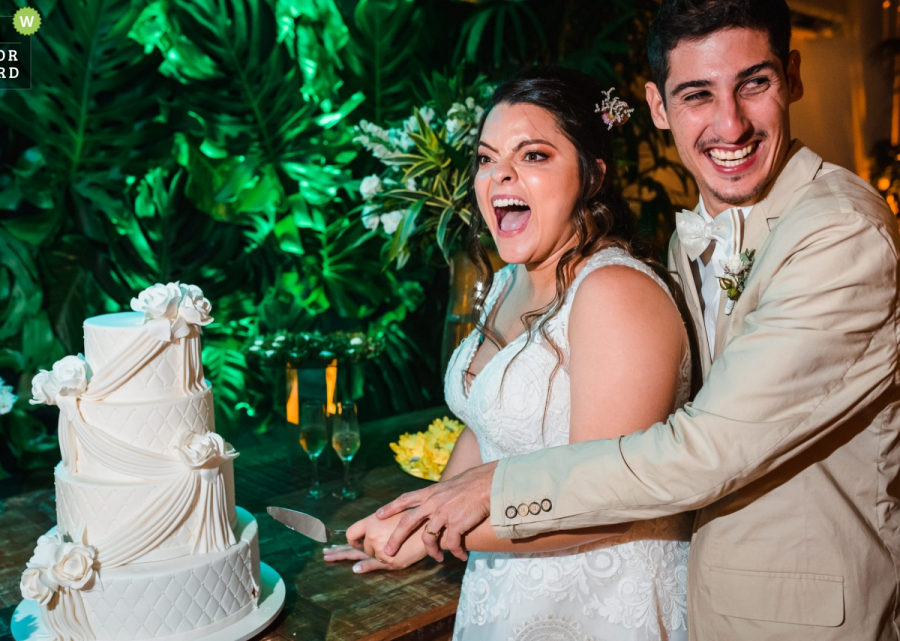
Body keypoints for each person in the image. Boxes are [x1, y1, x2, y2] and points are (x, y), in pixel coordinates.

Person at [374, 1, 900, 639]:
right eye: (697, 94)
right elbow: (492, 424)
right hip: (702, 598)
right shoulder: (693, 239)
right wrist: (418, 517)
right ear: (658, 108)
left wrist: (490, 496)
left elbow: (703, 450)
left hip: (801, 618)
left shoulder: (842, 235)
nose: (728, 124)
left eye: (753, 84)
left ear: (790, 78)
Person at [325, 66, 695, 640]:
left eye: (534, 156)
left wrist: (429, 533)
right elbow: (486, 424)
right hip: (504, 591)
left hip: (601, 604)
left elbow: (603, 497)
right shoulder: (505, 282)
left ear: (592, 175)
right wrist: (417, 516)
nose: (500, 176)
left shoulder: (616, 293)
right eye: (486, 158)